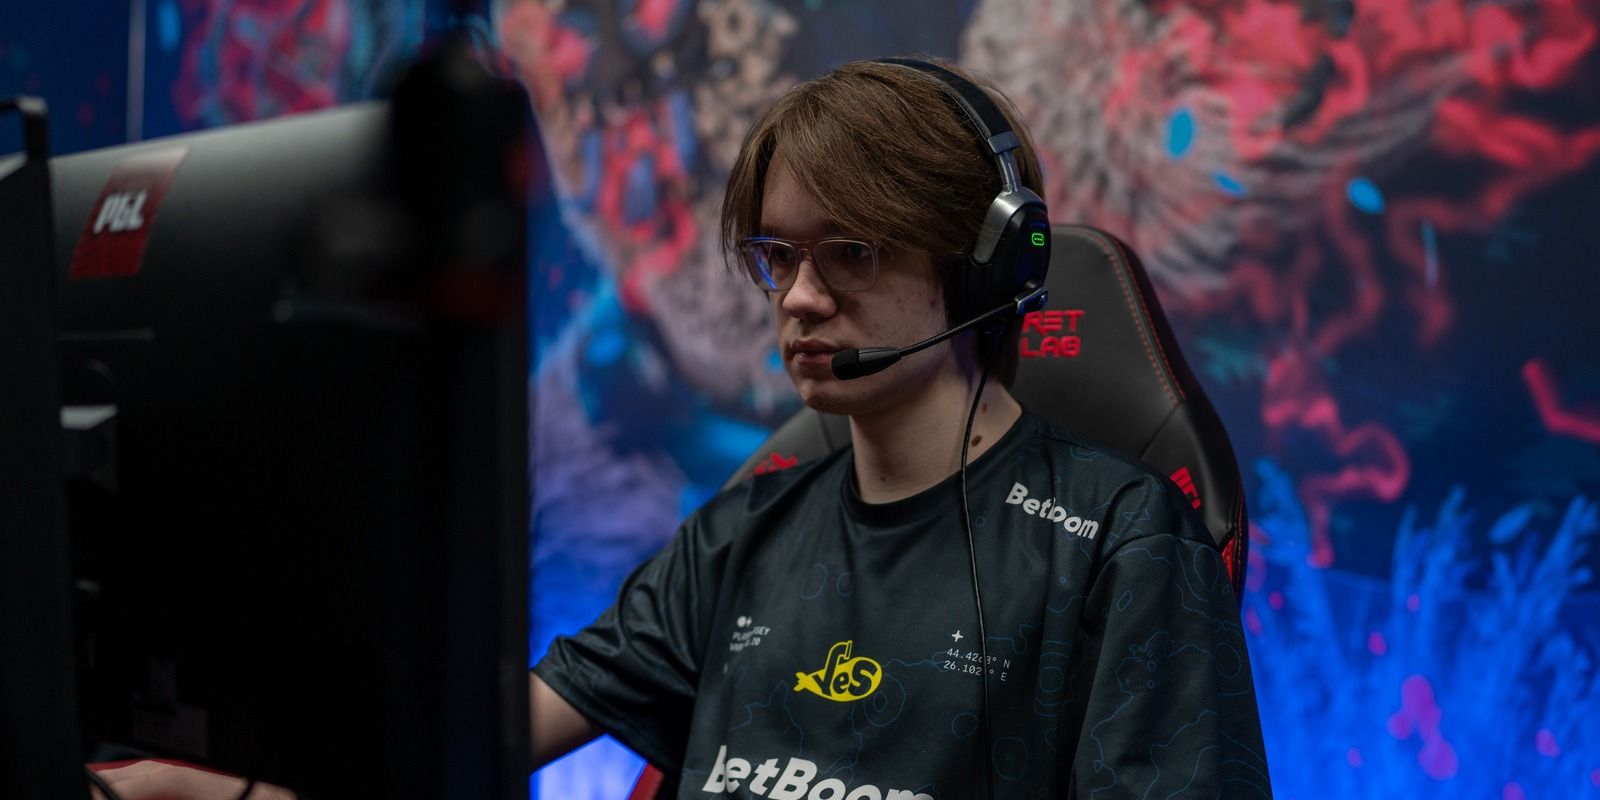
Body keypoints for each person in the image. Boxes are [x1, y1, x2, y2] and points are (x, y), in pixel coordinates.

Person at [98, 57, 1269, 800]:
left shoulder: (1121, 543)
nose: (798, 297)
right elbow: (491, 737)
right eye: (777, 256)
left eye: (850, 253)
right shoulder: (748, 526)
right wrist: (215, 783)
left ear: (981, 269)